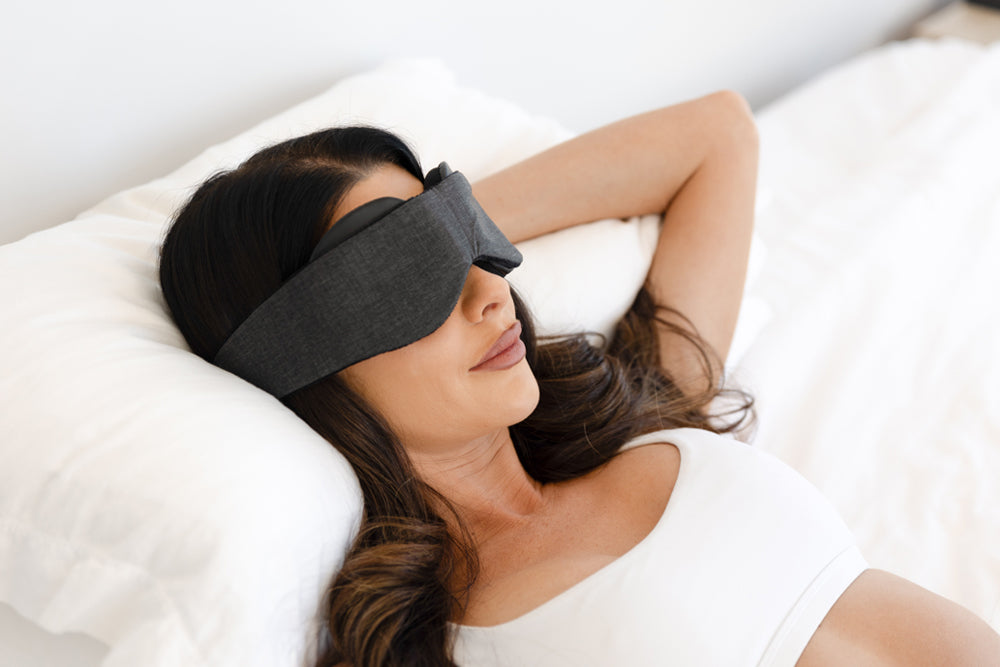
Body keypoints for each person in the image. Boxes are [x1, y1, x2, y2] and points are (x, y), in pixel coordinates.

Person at [158, 92, 1000, 667]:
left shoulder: (650, 407)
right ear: (296, 357)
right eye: (402, 277)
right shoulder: (444, 639)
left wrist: (440, 231)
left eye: (463, 241)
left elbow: (717, 135)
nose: (492, 293)